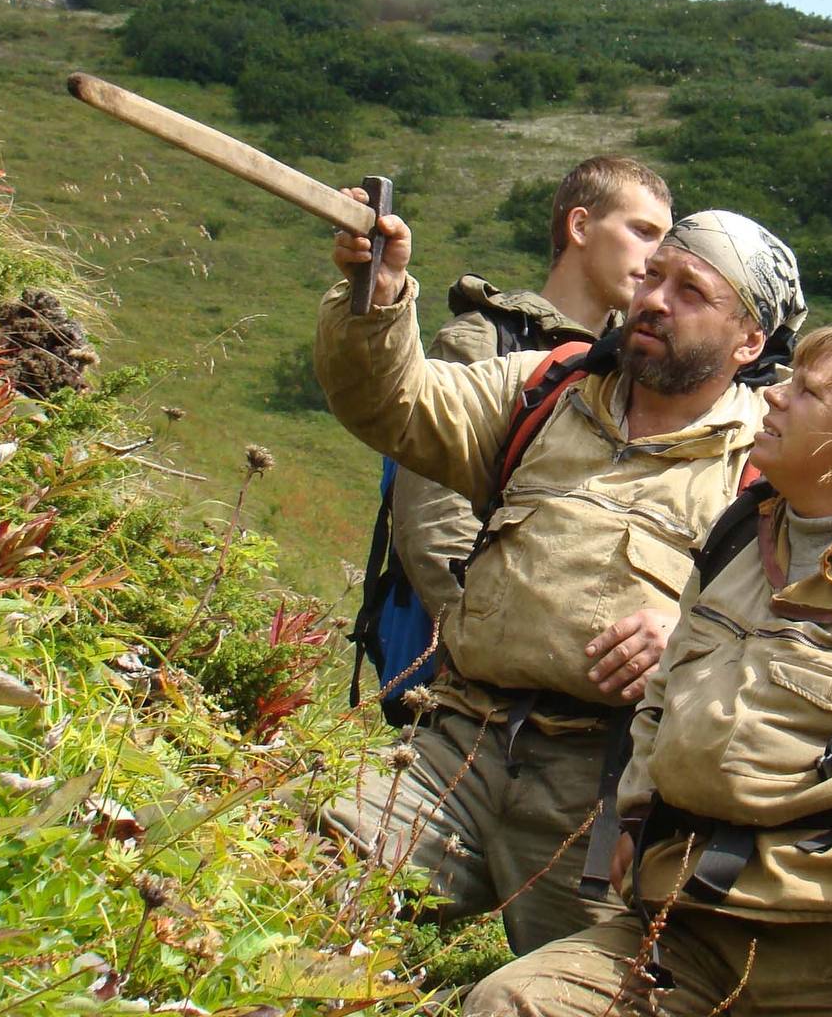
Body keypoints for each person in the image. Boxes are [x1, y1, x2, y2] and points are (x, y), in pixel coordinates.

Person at [465, 323, 832, 1017]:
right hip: (690, 930)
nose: (774, 398)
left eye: (807, 392)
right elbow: (664, 692)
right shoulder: (742, 536)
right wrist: (636, 815)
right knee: (514, 1003)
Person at [311, 206, 806, 954]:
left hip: (612, 798)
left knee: (601, 996)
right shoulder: (544, 390)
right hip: (454, 750)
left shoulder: (774, 469)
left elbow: (812, 645)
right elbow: (394, 405)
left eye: (692, 292)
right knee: (279, 873)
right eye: (654, 276)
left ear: (750, 340)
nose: (655, 300)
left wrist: (696, 634)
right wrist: (378, 297)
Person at [392, 156, 673, 634]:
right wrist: (480, 645)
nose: (657, 258)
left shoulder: (641, 366)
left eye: (665, 241)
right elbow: (435, 522)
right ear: (580, 226)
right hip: (481, 662)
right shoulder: (483, 342)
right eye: (643, 232)